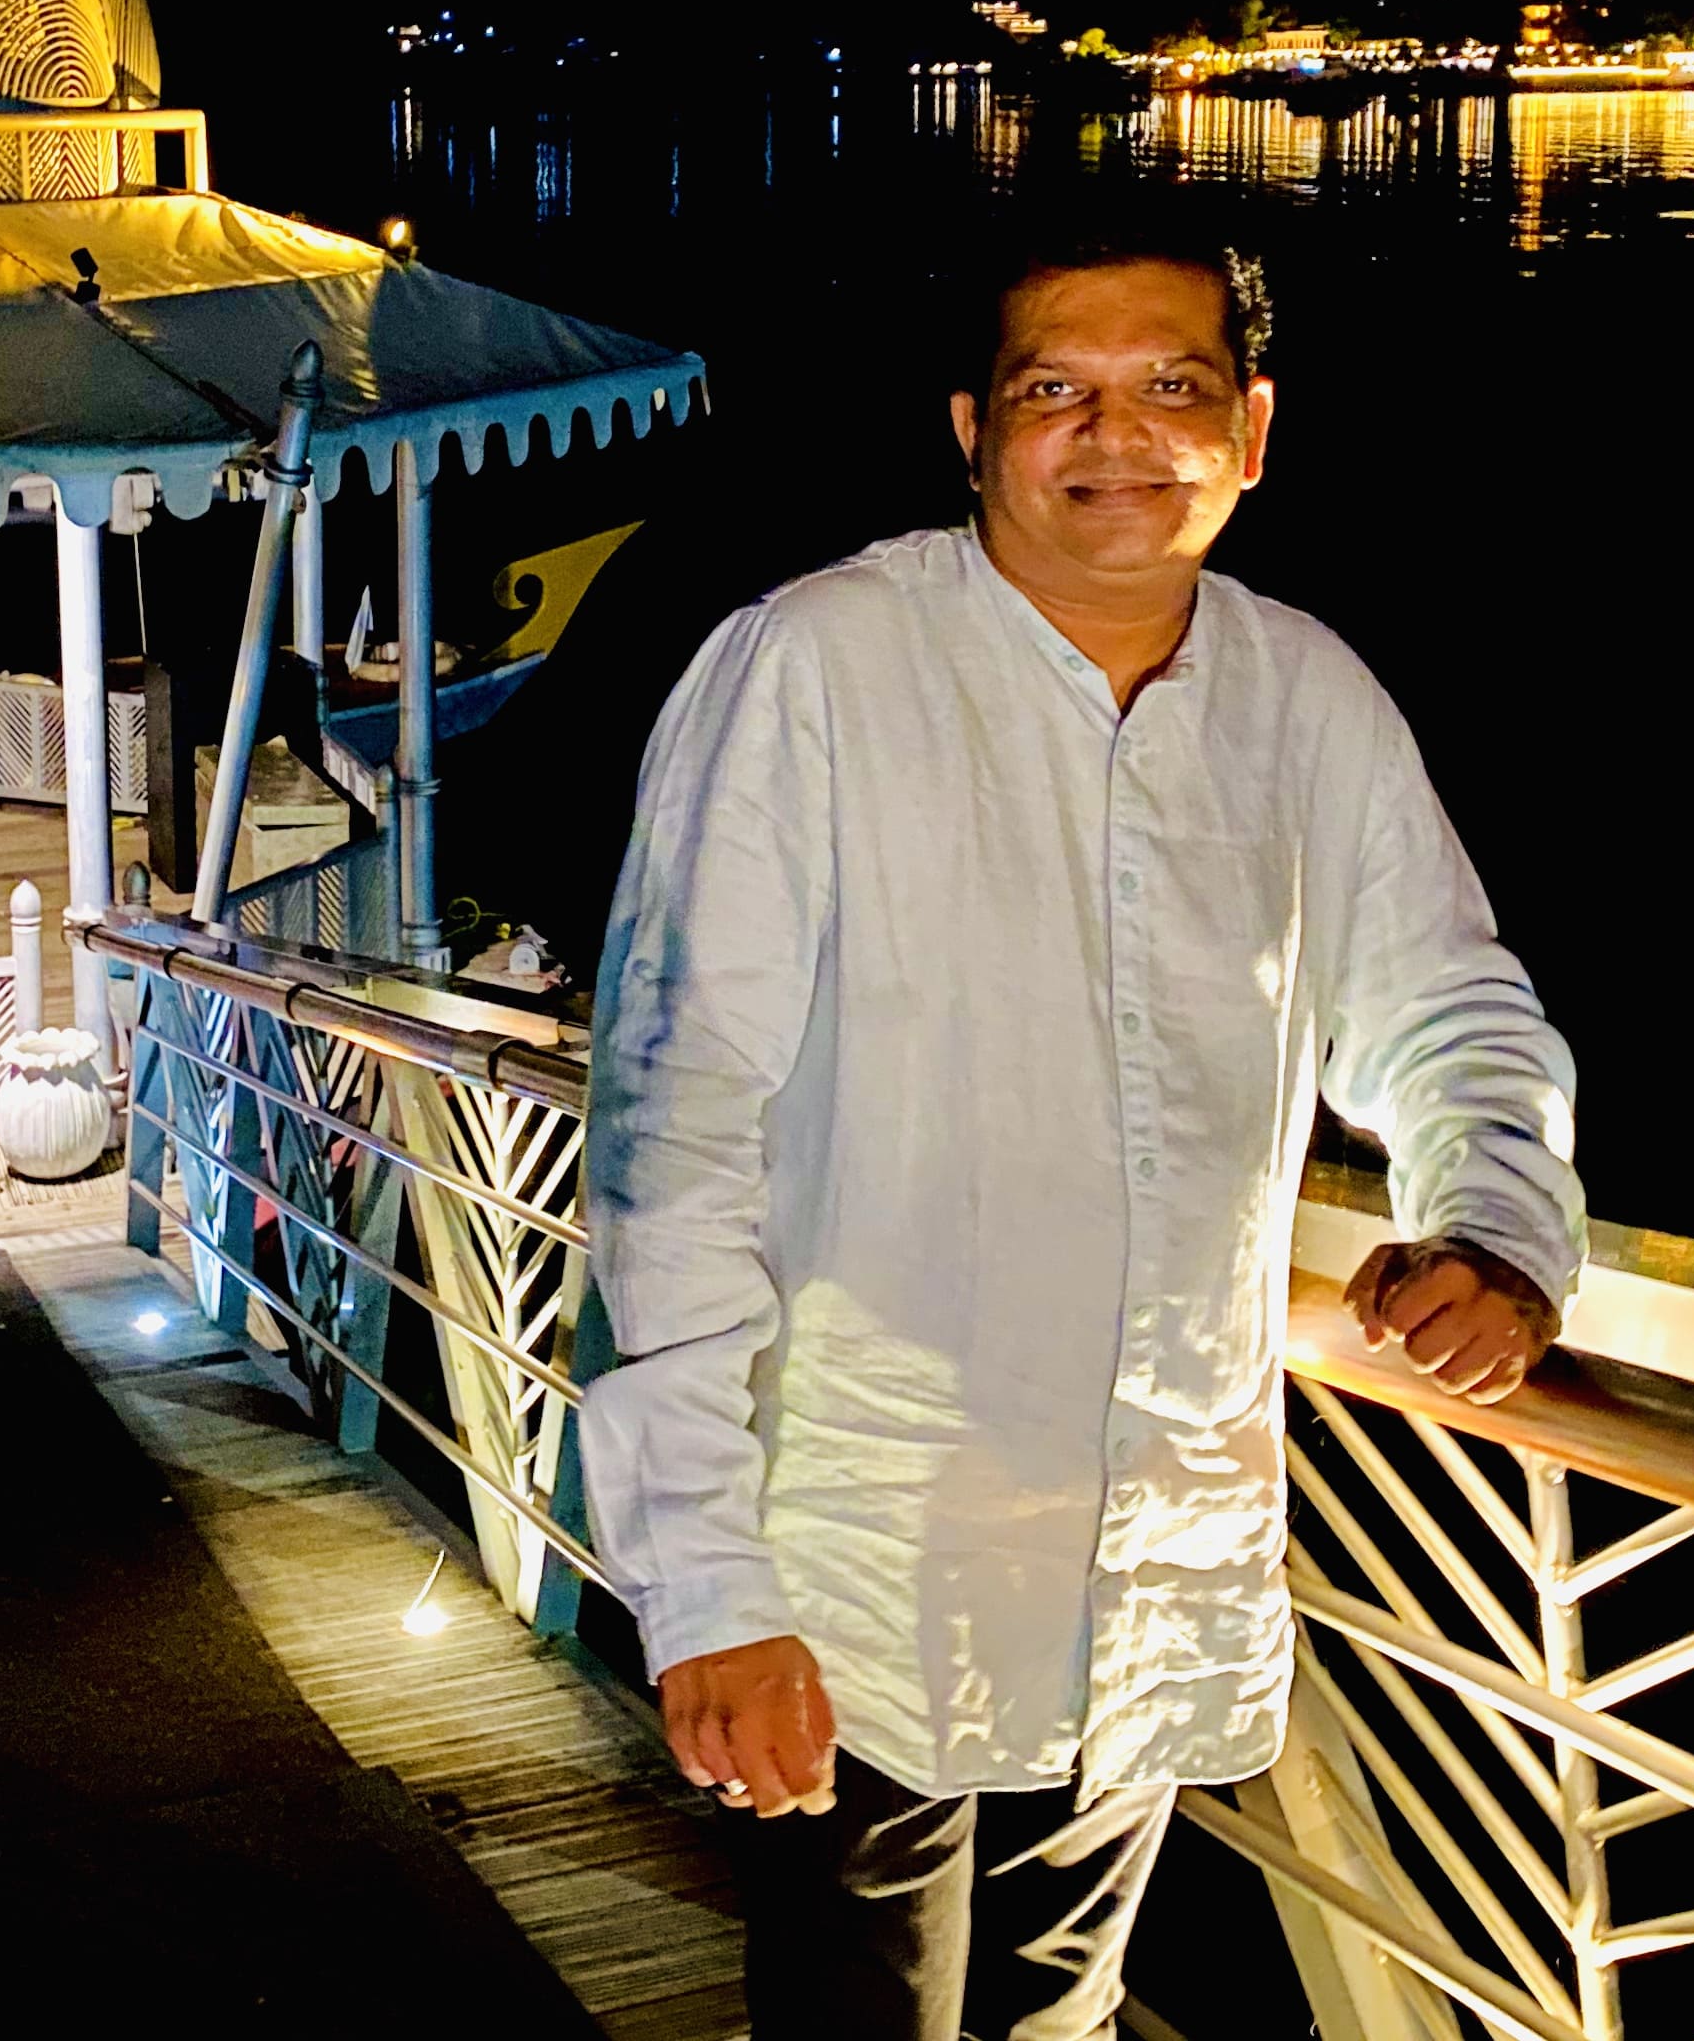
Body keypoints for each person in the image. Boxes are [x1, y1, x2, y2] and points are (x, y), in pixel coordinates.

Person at [583, 231, 1582, 2040]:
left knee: (1059, 2006)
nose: (1112, 434)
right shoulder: (816, 666)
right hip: (865, 1539)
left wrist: (1496, 1219)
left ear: (1253, 428)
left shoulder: (1306, 699)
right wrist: (704, 1576)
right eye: (1055, 389)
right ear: (973, 429)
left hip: (1158, 1528)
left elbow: (1446, 1003)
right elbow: (677, 1112)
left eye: (1171, 386)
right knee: (859, 2009)